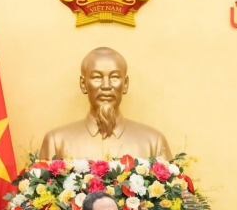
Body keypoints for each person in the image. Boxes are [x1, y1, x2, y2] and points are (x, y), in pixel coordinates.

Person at [38, 47, 173, 160]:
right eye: (97, 77)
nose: (106, 86)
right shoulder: (57, 142)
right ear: (83, 84)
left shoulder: (153, 142)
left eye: (114, 77)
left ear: (125, 84)